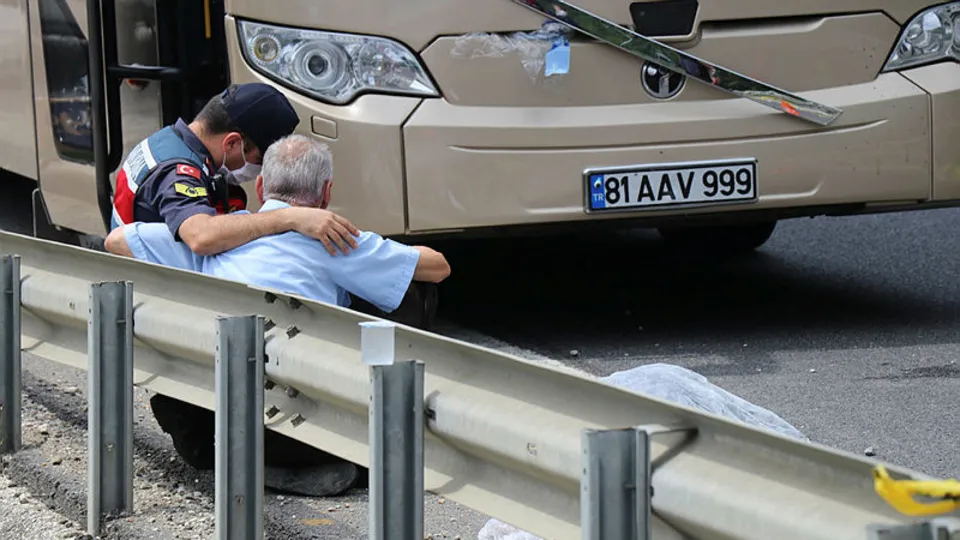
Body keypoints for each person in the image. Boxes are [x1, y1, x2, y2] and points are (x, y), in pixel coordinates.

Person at [105, 134, 451, 495]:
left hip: (212, 421)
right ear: (326, 192)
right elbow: (437, 267)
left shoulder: (218, 238)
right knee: (411, 290)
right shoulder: (336, 241)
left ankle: (247, 460)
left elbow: (116, 241)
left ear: (259, 186)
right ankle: (346, 442)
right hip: (302, 426)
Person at [110, 81, 360, 257]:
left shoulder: (170, 140)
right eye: (261, 159)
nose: (259, 170)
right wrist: (290, 218)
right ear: (232, 143)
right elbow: (201, 237)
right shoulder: (177, 170)